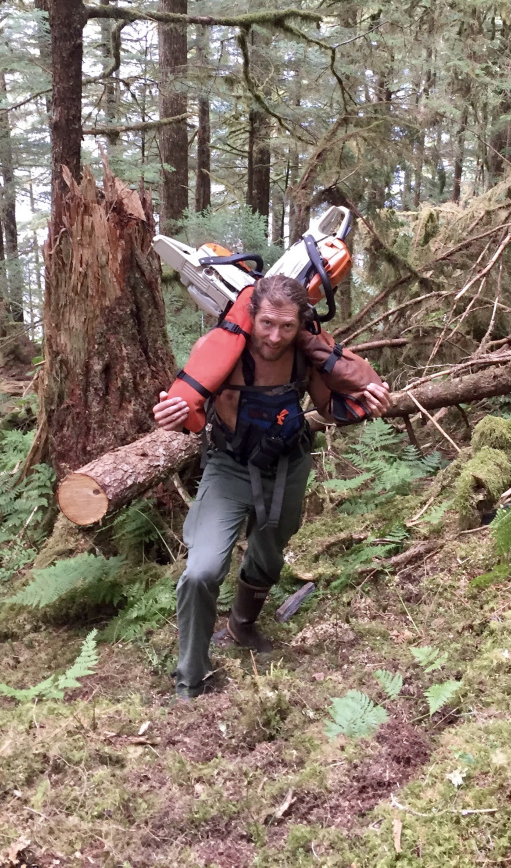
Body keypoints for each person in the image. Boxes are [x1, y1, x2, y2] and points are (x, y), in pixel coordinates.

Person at [153, 273, 391, 700]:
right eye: (267, 324)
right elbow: (191, 412)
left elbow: (328, 407)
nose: (275, 336)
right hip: (229, 467)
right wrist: (174, 417)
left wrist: (365, 406)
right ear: (252, 316)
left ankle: (242, 627)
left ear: (301, 322)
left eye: (286, 326)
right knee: (201, 571)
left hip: (287, 466)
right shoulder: (224, 352)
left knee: (269, 555)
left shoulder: (303, 357)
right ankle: (191, 675)